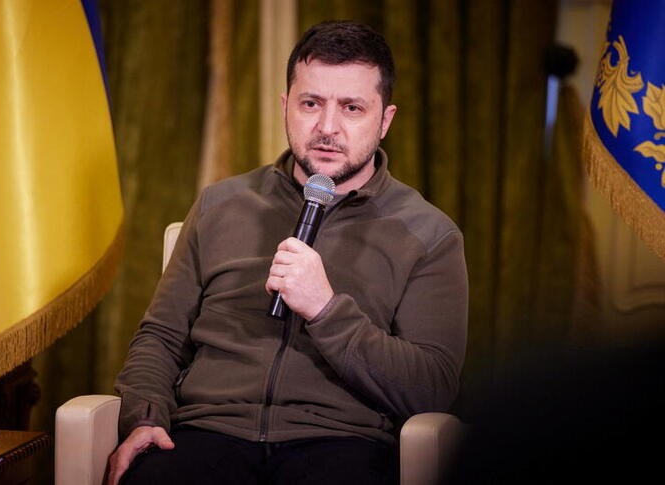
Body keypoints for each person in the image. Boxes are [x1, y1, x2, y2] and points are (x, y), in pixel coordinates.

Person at [108, 20, 468, 485]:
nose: (327, 127)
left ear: (385, 121)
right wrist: (146, 415)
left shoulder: (429, 233)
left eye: (352, 108)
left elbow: (431, 387)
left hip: (341, 445)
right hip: (205, 435)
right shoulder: (222, 204)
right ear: (286, 108)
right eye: (311, 103)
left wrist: (326, 310)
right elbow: (160, 336)